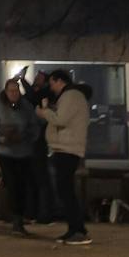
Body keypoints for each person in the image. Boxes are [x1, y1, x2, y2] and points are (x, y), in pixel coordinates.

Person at [35, 69, 92, 245]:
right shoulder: (73, 97)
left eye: (52, 83)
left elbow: (60, 120)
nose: (51, 88)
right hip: (66, 148)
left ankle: (78, 230)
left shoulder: (70, 96)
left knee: (65, 190)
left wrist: (43, 112)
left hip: (67, 149)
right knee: (64, 190)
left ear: (59, 81)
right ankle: (75, 229)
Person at [0, 78, 41, 236]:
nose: (14, 94)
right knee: (12, 184)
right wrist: (1, 138)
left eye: (16, 91)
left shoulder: (27, 107)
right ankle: (16, 218)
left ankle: (19, 216)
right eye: (11, 91)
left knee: (22, 185)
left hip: (23, 152)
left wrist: (27, 137)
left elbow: (35, 126)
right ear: (6, 91)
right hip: (6, 153)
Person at [24, 71, 58, 224]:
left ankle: (44, 214)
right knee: (32, 178)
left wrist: (23, 81)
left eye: (39, 77)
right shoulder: (36, 94)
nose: (36, 79)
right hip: (31, 140)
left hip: (39, 141)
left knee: (41, 178)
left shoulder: (45, 94)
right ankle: (32, 212)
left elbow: (33, 97)